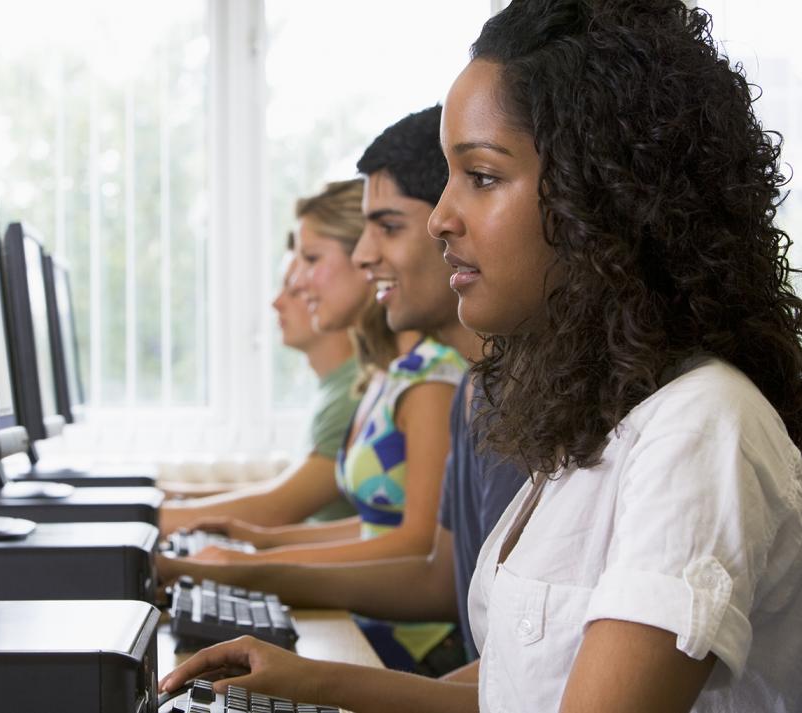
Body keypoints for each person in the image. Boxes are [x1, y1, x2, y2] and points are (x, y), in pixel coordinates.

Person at [161, 2, 802, 712]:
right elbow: (518, 687)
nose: (441, 217)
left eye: (483, 176)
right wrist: (311, 679)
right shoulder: (591, 420)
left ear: (606, 198)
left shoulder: (699, 427)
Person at [158, 106, 526, 674]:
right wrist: (251, 558)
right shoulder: (472, 392)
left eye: (388, 227)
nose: (363, 254)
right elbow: (439, 573)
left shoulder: (448, 382)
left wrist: (247, 564)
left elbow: (522, 671)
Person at [160, 182, 376, 534]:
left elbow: (275, 509)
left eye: (308, 265)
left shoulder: (357, 389)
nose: (281, 300)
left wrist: (142, 518)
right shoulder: (349, 386)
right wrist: (168, 499)